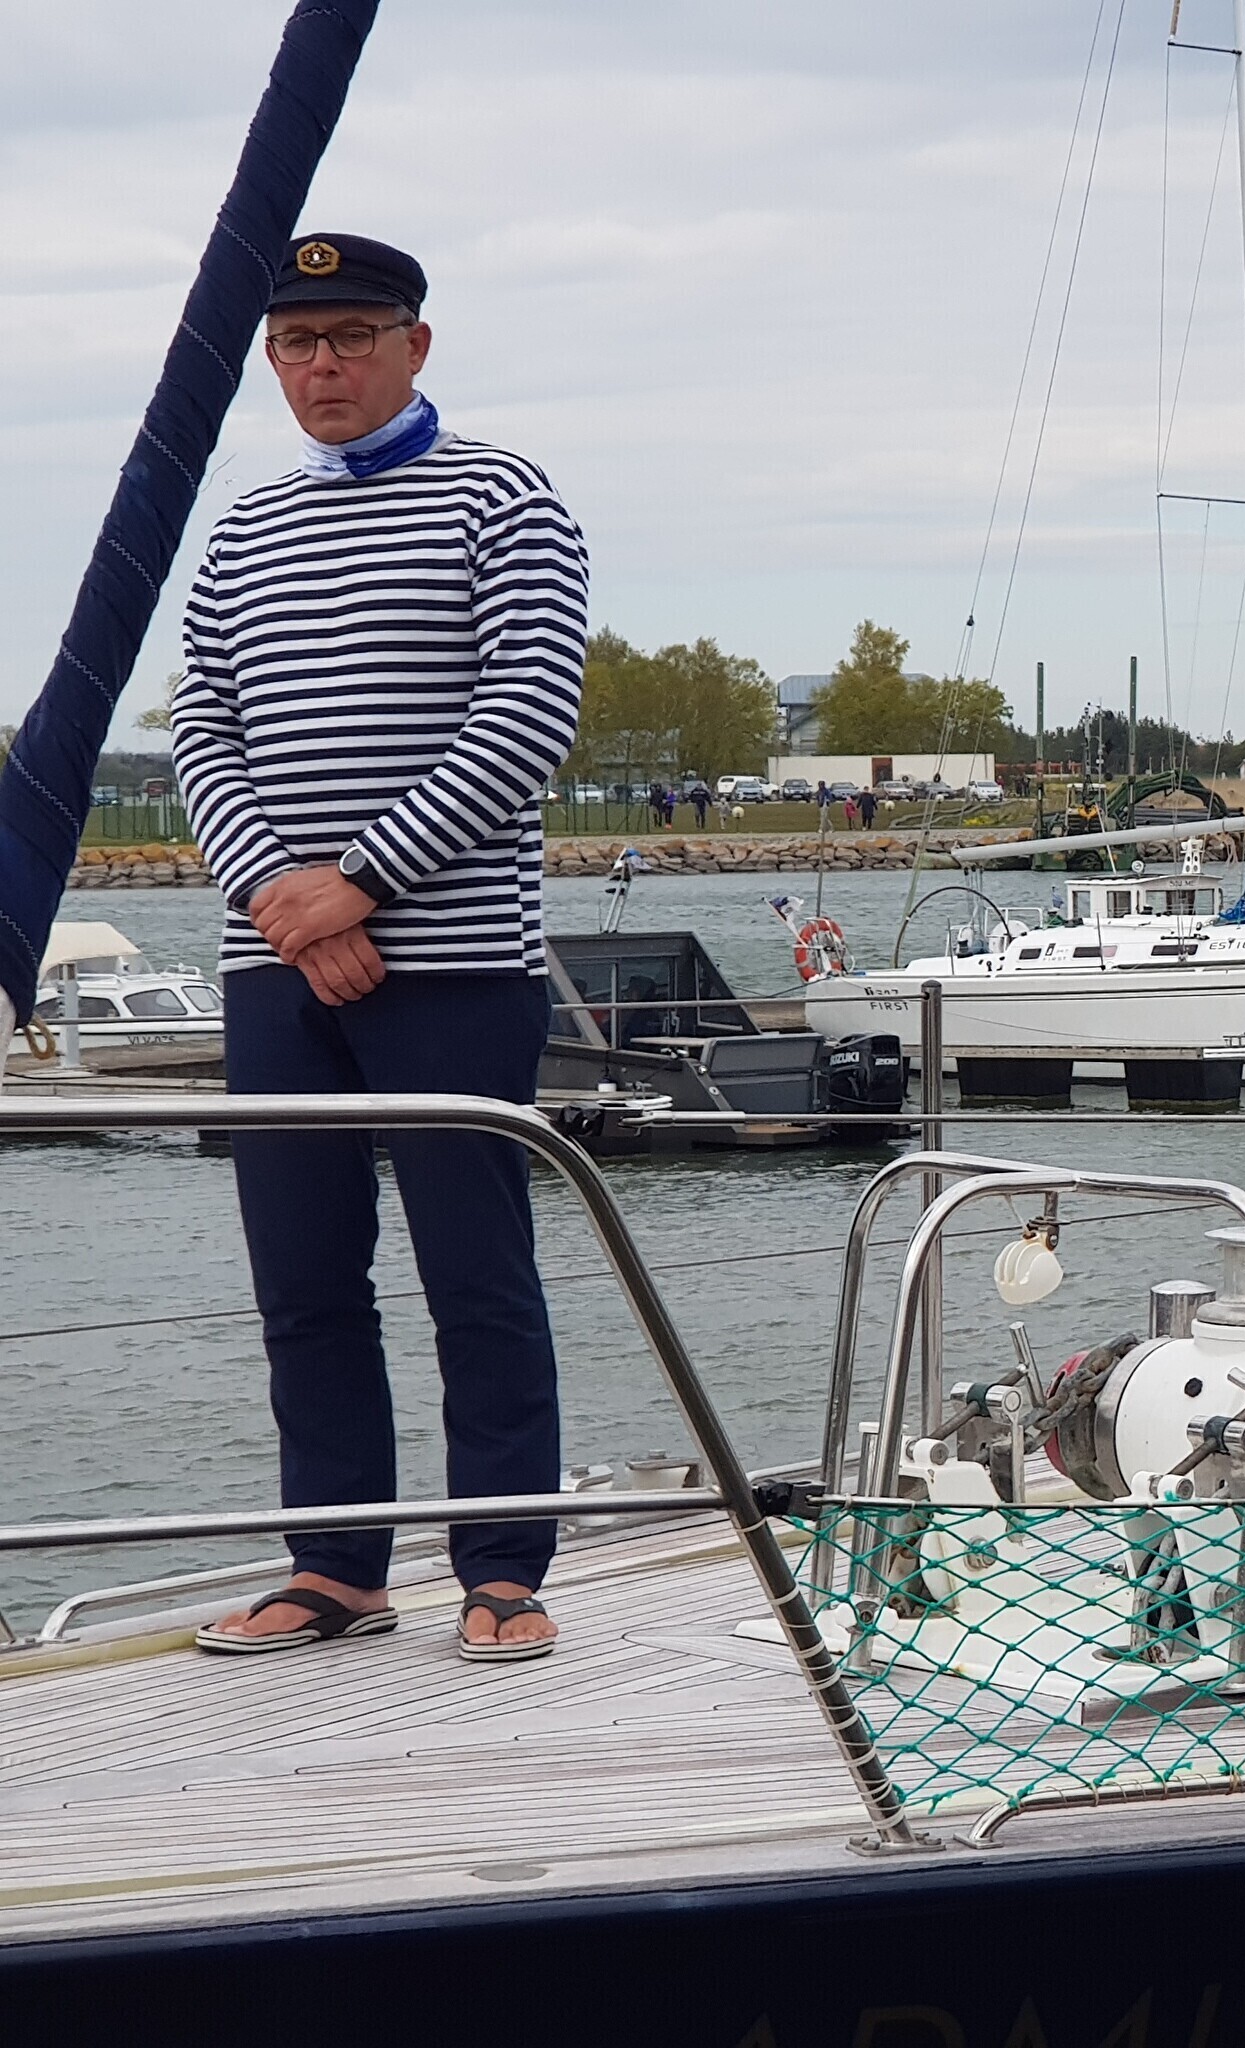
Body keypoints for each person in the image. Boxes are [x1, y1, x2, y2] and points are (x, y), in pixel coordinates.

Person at [172, 233, 588, 1662]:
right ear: (272, 361)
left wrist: (357, 884)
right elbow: (203, 730)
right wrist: (280, 900)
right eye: (297, 342)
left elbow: (527, 715)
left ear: (415, 344)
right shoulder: (242, 530)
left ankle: (504, 1566)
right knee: (304, 1281)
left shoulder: (504, 497)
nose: (324, 364)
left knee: (477, 1272)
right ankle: (336, 1565)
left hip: (455, 962)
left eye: (353, 335)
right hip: (276, 964)